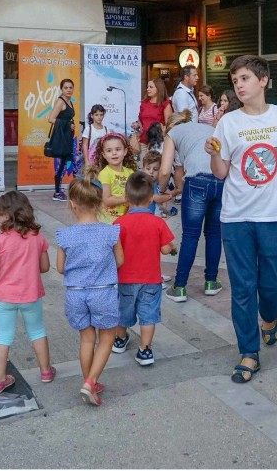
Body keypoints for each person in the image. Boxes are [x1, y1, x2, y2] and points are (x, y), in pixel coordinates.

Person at [206, 54, 277, 383]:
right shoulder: (228, 123)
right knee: (243, 287)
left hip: (274, 213)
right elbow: (221, 173)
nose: (239, 85)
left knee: (274, 281)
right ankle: (249, 352)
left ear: (263, 81)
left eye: (245, 78)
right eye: (235, 81)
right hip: (235, 216)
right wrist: (212, 156)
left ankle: (269, 317)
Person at [55, 177, 123, 406]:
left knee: (86, 340)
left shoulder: (64, 235)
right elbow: (120, 261)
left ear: (72, 204)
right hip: (102, 292)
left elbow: (60, 268)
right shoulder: (110, 232)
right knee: (106, 338)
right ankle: (91, 381)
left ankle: (89, 381)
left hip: (75, 293)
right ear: (101, 204)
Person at [0, 191, 55, 394]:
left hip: (4, 297)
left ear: (8, 217)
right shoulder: (37, 238)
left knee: (3, 337)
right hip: (31, 295)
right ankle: (46, 371)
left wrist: (0, 270)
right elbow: (45, 267)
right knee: (37, 331)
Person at [110, 172, 176, 365]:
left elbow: (114, 251)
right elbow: (165, 249)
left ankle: (120, 340)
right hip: (151, 279)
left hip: (125, 279)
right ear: (151, 199)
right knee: (148, 315)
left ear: (127, 199)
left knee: (123, 311)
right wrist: (172, 248)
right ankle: (145, 350)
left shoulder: (119, 223)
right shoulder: (157, 222)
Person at [160, 110, 224, 302]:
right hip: (220, 180)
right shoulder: (207, 128)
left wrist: (161, 190)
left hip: (196, 182)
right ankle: (211, 282)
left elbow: (165, 170)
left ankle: (179, 287)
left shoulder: (173, 134)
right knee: (214, 234)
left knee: (190, 236)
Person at [87, 132, 135, 224]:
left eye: (118, 149)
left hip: (126, 218)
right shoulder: (105, 174)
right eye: (109, 150)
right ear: (104, 155)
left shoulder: (130, 172)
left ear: (125, 151)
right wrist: (128, 198)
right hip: (108, 219)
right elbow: (107, 200)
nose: (114, 153)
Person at [46, 79, 76, 202]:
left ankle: (60, 190)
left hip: (67, 136)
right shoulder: (61, 101)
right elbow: (50, 118)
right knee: (61, 164)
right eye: (66, 88)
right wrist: (67, 125)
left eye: (70, 87)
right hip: (61, 137)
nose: (68, 90)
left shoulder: (69, 101)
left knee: (66, 162)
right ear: (61, 89)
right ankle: (57, 192)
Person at [134, 79, 173, 150]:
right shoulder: (144, 103)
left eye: (151, 87)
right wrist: (137, 125)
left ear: (159, 88)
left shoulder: (165, 104)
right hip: (144, 140)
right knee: (143, 160)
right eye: (147, 87)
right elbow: (141, 119)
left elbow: (169, 124)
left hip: (158, 141)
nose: (148, 89)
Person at [140, 150, 175, 218]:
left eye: (155, 169)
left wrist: (169, 193)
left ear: (160, 171)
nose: (151, 172)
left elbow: (163, 192)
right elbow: (156, 198)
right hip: (144, 216)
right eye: (148, 168)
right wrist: (169, 196)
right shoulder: (143, 184)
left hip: (154, 215)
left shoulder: (157, 183)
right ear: (143, 169)